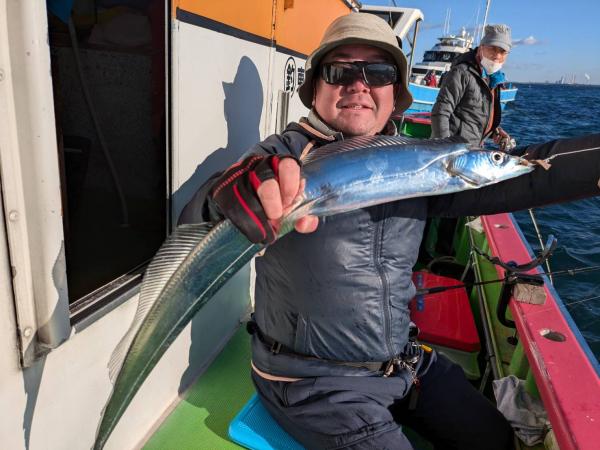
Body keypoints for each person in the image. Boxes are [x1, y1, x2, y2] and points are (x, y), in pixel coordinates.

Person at [180, 13, 600, 450]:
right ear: (316, 88)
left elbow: (528, 176)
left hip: (401, 363)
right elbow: (200, 217)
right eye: (339, 71)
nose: (358, 85)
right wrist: (225, 200)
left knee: (495, 440)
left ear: (395, 93)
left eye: (378, 72)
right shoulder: (283, 157)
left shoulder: (419, 165)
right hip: (313, 385)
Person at [431, 24, 514, 149]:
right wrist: (444, 149)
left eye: (503, 52)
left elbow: (474, 117)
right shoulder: (461, 73)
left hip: (472, 151)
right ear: (481, 47)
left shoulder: (493, 79)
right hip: (454, 150)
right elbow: (440, 112)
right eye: (493, 48)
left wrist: (494, 131)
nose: (497, 56)